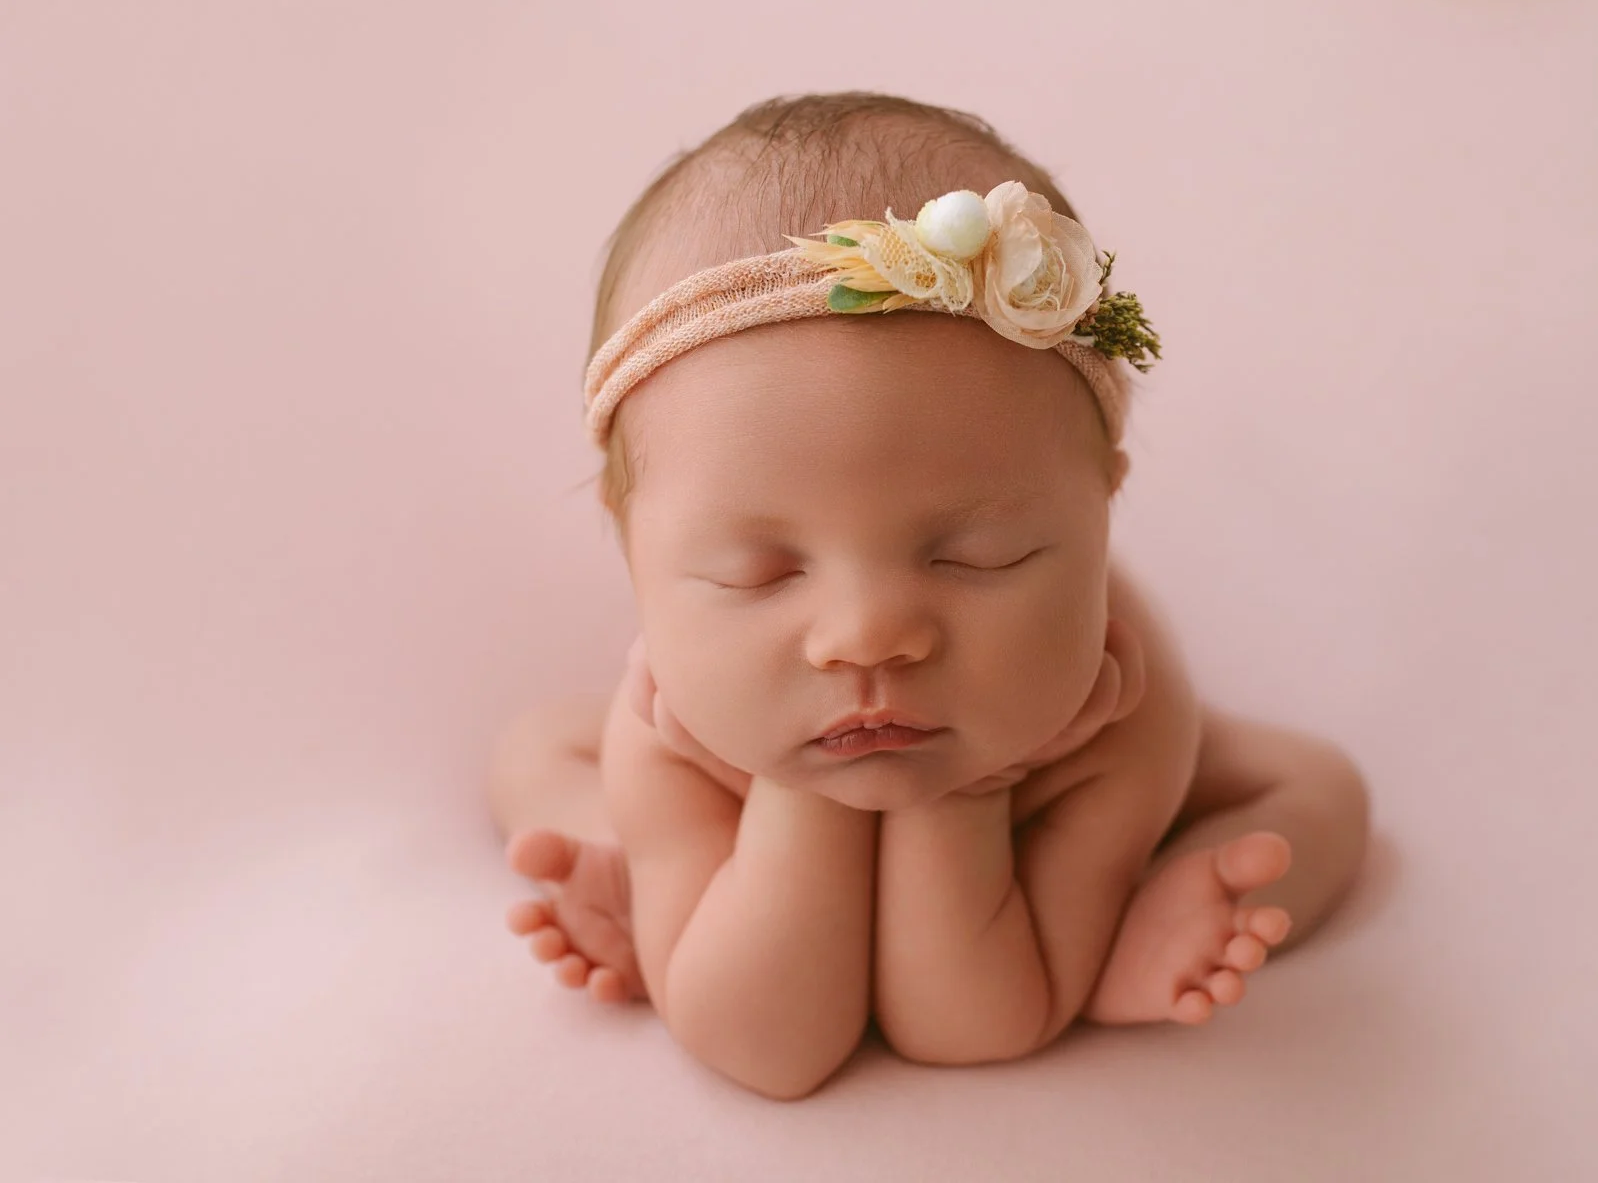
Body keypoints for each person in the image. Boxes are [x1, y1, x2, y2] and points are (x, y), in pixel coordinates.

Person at [486, 92, 1370, 1100]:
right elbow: (767, 1050)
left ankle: (1133, 920)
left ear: (1102, 505)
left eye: (979, 557)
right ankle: (650, 875)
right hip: (722, 759)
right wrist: (789, 793)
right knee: (535, 756)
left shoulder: (1112, 709)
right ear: (629, 537)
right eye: (760, 574)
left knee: (1317, 792)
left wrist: (975, 793)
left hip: (1039, 765)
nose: (869, 635)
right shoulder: (676, 717)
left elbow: (974, 1026)